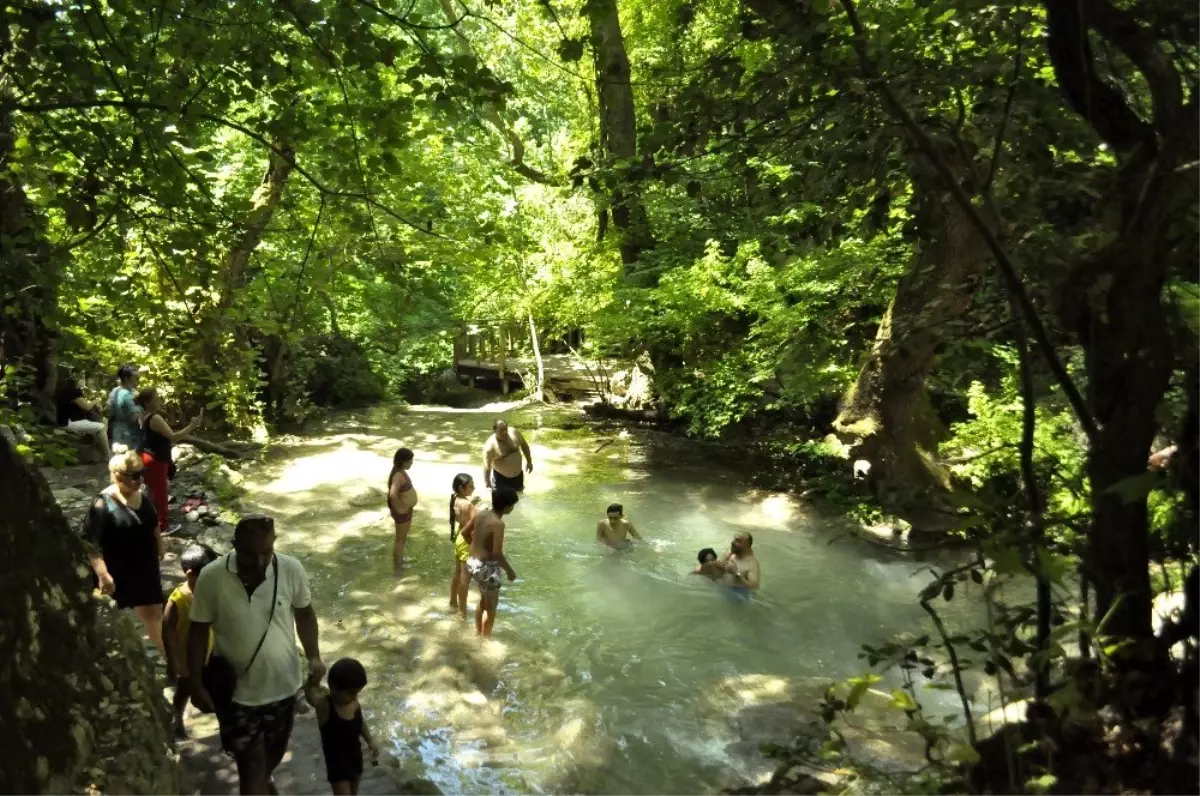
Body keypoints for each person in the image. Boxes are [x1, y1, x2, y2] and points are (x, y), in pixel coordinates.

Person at [188, 515, 325, 796]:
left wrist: (314, 656)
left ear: (274, 543)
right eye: (250, 554)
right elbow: (198, 630)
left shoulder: (291, 569)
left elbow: (305, 614)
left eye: (267, 552)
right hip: (236, 693)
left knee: (270, 758)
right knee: (251, 764)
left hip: (283, 686)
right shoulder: (212, 577)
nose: (260, 561)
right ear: (234, 545)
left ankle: (264, 780)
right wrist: (196, 681)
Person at [85, 451, 165, 657]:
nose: (139, 480)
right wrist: (103, 575)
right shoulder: (102, 504)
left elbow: (153, 521)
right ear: (116, 476)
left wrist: (160, 543)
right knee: (115, 616)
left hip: (145, 564)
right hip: (117, 567)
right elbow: (91, 544)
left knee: (155, 614)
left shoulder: (145, 492)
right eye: (134, 476)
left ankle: (171, 661)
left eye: (141, 473)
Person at [164, 544, 219, 739]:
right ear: (190, 574)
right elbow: (167, 631)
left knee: (209, 684)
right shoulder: (178, 599)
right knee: (184, 687)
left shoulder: (208, 594)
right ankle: (177, 718)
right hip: (185, 656)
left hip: (207, 651)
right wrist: (172, 662)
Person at [304, 657, 380, 796]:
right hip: (337, 765)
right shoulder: (325, 705)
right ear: (333, 687)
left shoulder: (353, 702)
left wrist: (370, 741)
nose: (354, 697)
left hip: (356, 759)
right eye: (351, 693)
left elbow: (361, 722)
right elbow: (310, 696)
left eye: (357, 693)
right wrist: (311, 681)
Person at [136, 387, 202, 535]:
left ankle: (151, 520)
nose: (159, 400)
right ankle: (162, 526)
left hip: (146, 456)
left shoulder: (143, 415)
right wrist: (192, 425)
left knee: (151, 491)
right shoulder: (155, 418)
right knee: (160, 492)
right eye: (156, 398)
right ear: (147, 403)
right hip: (155, 460)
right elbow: (174, 437)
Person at [462, 487, 519, 637]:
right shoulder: (498, 524)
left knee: (483, 600)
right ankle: (485, 639)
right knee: (491, 607)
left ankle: (477, 632)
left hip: (472, 563)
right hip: (487, 569)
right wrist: (509, 571)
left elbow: (464, 533)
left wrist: (476, 547)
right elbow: (497, 554)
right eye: (512, 505)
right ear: (507, 506)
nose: (512, 508)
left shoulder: (481, 514)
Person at [57, 376, 111, 460]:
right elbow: (86, 407)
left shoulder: (67, 390)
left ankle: (97, 448)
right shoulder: (72, 391)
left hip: (72, 419)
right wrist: (97, 401)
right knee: (101, 427)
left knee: (104, 420)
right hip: (68, 422)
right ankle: (107, 456)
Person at [448, 473, 478, 617]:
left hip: (459, 538)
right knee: (465, 579)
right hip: (467, 541)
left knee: (458, 573)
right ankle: (462, 612)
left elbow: (463, 519)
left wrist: (473, 505)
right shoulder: (468, 505)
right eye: (471, 485)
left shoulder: (456, 499)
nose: (474, 488)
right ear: (461, 488)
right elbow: (474, 526)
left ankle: (453, 601)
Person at [387, 448, 417, 571]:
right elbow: (392, 494)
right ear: (403, 461)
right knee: (400, 540)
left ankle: (401, 560)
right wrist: (400, 508)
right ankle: (398, 568)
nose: (411, 463)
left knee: (402, 539)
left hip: (405, 510)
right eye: (410, 461)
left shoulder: (400, 471)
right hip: (402, 512)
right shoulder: (398, 475)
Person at [482, 419, 532, 492]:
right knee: (503, 502)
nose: (504, 432)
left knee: (520, 498)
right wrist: (488, 484)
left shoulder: (514, 433)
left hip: (518, 476)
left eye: (506, 429)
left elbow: (524, 446)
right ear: (495, 430)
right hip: (501, 479)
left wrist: (529, 462)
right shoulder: (490, 446)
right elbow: (486, 467)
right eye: (501, 430)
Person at [106, 364, 142, 452]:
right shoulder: (128, 396)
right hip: (130, 436)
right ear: (126, 378)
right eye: (136, 378)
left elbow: (109, 412)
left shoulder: (115, 391)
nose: (139, 381)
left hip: (117, 432)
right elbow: (135, 418)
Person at [717, 532, 761, 599]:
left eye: (737, 541)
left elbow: (754, 587)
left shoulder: (752, 564)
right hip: (721, 589)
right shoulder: (730, 553)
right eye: (734, 539)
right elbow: (717, 566)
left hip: (737, 597)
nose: (732, 542)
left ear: (746, 546)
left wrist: (737, 573)